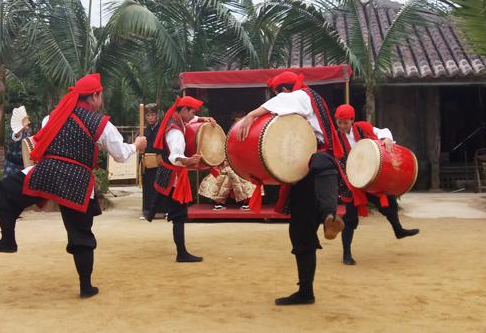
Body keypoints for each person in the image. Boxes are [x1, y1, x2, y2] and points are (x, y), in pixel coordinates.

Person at [0, 74, 147, 298]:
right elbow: (120, 154)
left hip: (47, 172)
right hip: (77, 180)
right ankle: (86, 287)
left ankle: (8, 240)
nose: (102, 99)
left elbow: (41, 141)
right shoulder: (101, 125)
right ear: (94, 97)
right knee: (81, 235)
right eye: (101, 95)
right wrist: (136, 145)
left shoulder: (53, 116)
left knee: (2, 193)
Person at [236, 71, 345, 305]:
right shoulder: (315, 98)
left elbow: (283, 102)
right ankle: (329, 215)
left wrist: (251, 115)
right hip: (323, 167)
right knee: (310, 219)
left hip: (310, 168)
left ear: (284, 90)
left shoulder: (301, 95)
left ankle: (306, 291)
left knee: (301, 233)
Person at [334, 104, 419, 266]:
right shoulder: (335, 138)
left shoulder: (362, 128)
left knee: (389, 204)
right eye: (339, 123)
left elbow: (382, 131)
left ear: (352, 120)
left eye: (345, 122)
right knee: (350, 219)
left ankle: (398, 230)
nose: (342, 126)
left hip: (370, 178)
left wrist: (387, 139)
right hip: (350, 182)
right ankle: (347, 254)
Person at [145, 96, 216, 263]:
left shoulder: (175, 119)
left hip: (168, 171)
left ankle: (151, 211)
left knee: (163, 190)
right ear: (184, 110)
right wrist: (189, 161)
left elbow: (191, 120)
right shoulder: (176, 131)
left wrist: (203, 119)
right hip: (175, 175)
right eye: (192, 112)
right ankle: (181, 253)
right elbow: (175, 156)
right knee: (179, 214)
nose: (193, 116)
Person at [141, 103, 162, 219]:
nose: (150, 118)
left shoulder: (161, 129)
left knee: (159, 185)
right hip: (147, 162)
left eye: (152, 115)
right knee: (147, 186)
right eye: (148, 115)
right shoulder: (145, 130)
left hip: (159, 161)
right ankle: (147, 210)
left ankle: (162, 210)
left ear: (157, 115)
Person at [3, 111, 31, 177]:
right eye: (27, 120)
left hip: (23, 167)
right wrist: (21, 127)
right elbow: (16, 136)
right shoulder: (15, 133)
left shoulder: (28, 132)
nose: (29, 122)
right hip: (12, 167)